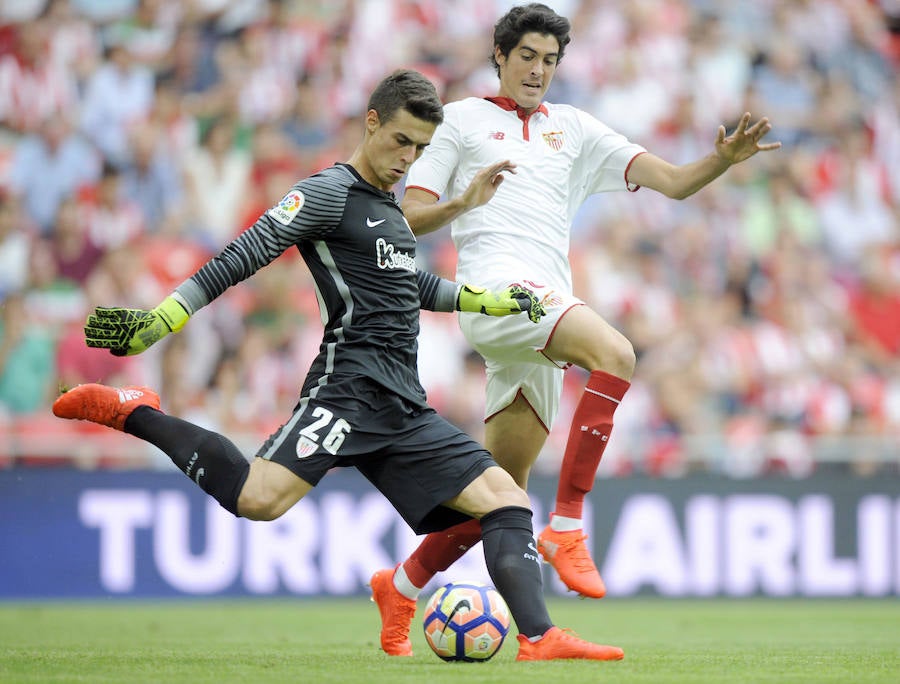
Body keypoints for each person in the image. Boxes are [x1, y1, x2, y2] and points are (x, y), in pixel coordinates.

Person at [51, 69, 624, 662]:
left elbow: (407, 284)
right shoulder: (327, 193)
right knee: (257, 500)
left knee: (505, 498)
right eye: (401, 141)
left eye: (420, 148)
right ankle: (136, 412)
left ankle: (538, 637)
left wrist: (487, 299)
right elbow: (245, 252)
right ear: (371, 122)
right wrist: (164, 318)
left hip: (403, 403)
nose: (408, 159)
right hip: (346, 389)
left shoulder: (389, 208)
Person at [370, 3, 782, 654]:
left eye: (550, 60)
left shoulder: (575, 129)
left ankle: (401, 583)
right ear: (500, 56)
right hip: (498, 296)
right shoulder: (459, 120)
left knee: (500, 496)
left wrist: (721, 160)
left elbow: (674, 183)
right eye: (527, 56)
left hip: (544, 311)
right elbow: (407, 217)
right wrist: (464, 203)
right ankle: (566, 526)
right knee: (616, 352)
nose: (538, 70)